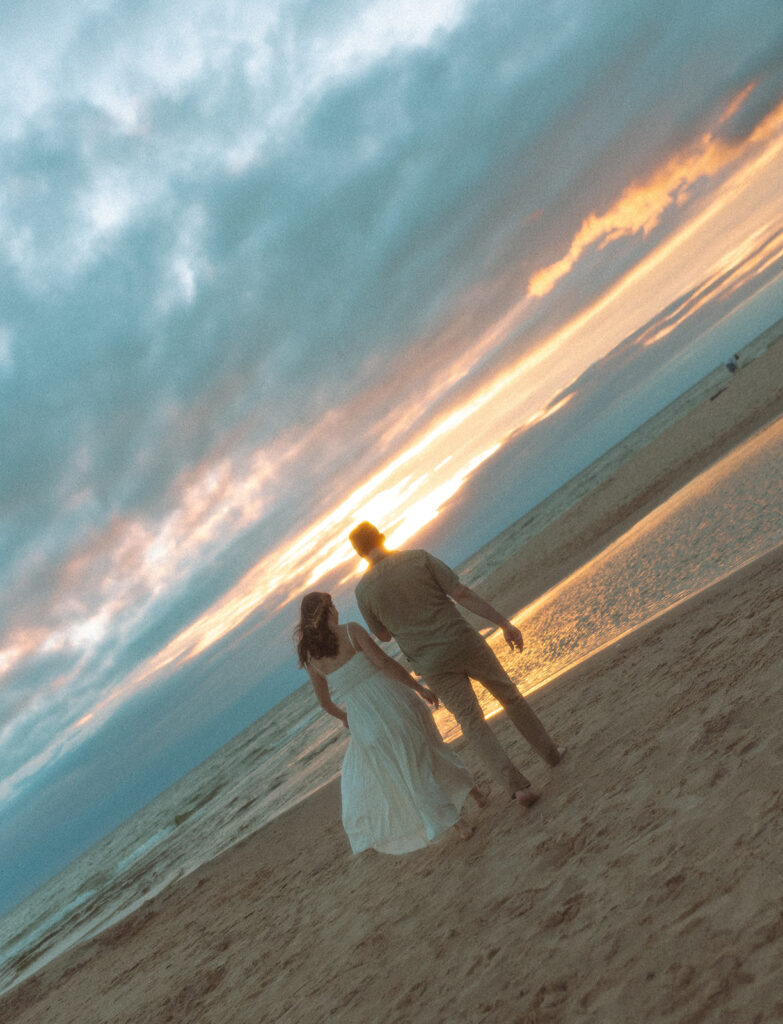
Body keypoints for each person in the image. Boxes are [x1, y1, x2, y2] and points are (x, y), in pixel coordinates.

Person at [349, 522, 564, 807]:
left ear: (360, 553)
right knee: (509, 696)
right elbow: (461, 593)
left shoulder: (363, 592)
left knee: (471, 722)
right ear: (382, 537)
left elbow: (383, 635)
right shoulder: (419, 558)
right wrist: (503, 623)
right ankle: (550, 753)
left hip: (429, 662)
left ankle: (517, 787)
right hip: (462, 641)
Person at [296, 592, 489, 853]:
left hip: (366, 722)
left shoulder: (312, 660)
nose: (337, 609)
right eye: (333, 605)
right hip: (394, 702)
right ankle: (470, 804)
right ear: (328, 611)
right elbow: (384, 663)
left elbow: (325, 703)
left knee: (411, 771)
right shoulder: (351, 631)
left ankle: (464, 814)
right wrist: (418, 687)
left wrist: (346, 719)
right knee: (432, 750)